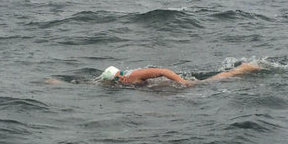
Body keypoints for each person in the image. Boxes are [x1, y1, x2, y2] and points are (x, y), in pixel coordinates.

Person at [99, 63, 261, 87]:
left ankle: (244, 68)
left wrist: (182, 82)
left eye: (119, 76)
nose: (119, 79)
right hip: (169, 89)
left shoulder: (134, 76)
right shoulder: (126, 82)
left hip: (177, 86)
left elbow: (163, 71)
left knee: (210, 82)